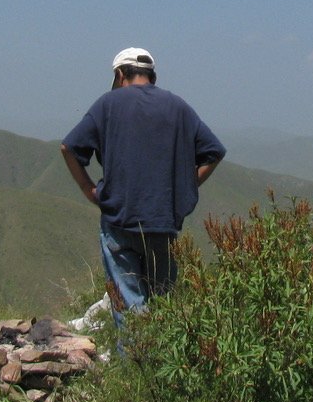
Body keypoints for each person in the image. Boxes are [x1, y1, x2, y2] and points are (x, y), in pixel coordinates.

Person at [61, 47, 226, 336]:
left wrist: (89, 190)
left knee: (129, 306)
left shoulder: (108, 104)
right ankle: (162, 370)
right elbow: (214, 152)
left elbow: (69, 148)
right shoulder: (178, 107)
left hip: (119, 220)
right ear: (153, 75)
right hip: (163, 222)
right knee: (163, 303)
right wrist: (185, 186)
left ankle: (134, 370)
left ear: (120, 74)